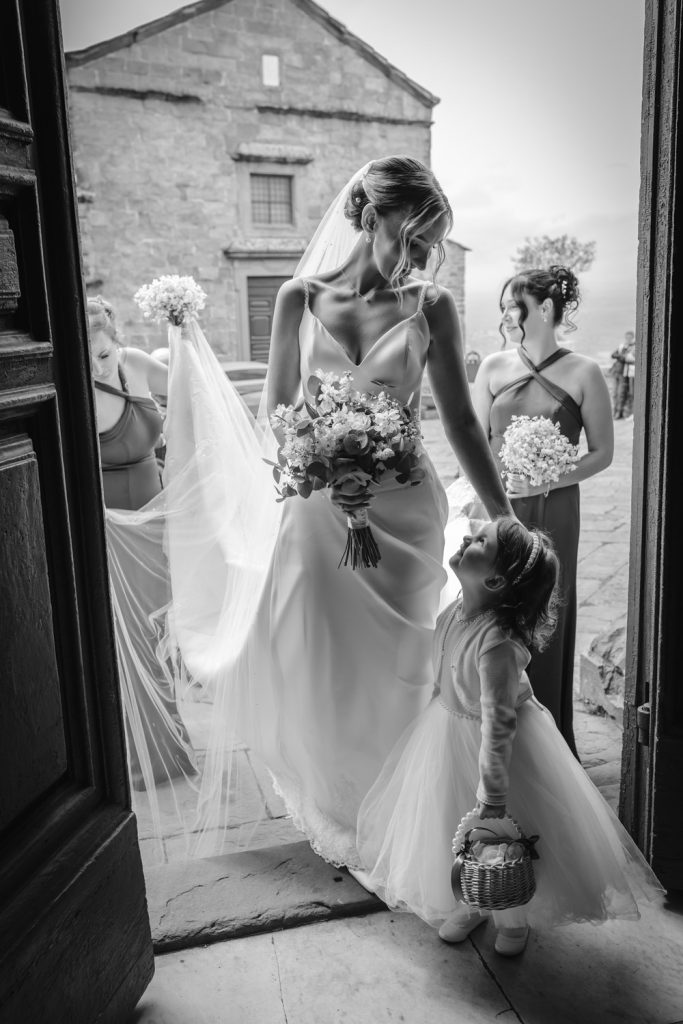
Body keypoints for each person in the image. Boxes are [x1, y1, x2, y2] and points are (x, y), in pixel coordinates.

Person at [206, 156, 514, 868]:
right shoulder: (296, 297)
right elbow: (276, 410)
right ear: (369, 215)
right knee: (325, 657)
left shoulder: (428, 305)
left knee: (403, 665)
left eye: (429, 244)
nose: (418, 256)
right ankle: (345, 809)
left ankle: (406, 811)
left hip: (403, 511)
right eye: (411, 237)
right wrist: (316, 460)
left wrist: (503, 513)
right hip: (317, 512)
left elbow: (461, 422)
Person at [356, 519, 663, 956]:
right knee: (451, 825)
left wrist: (494, 792)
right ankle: (473, 901)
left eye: (482, 541)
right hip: (447, 730)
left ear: (497, 579)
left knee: (499, 837)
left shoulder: (498, 643)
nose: (468, 537)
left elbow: (499, 722)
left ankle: (512, 917)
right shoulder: (456, 609)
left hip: (497, 751)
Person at [470, 266, 613, 756]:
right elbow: (475, 443)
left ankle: (548, 748)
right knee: (491, 617)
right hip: (497, 505)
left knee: (546, 616)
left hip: (556, 511)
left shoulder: (584, 372)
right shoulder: (491, 368)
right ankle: (490, 741)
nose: (506, 316)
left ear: (545, 308)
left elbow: (602, 453)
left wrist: (548, 477)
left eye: (515, 305)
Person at [88, 297, 197, 797]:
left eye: (104, 354)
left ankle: (170, 744)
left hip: (157, 517)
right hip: (109, 524)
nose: (97, 365)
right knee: (125, 635)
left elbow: (194, 391)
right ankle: (141, 755)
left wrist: (183, 333)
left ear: (117, 340)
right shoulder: (74, 381)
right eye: (87, 356)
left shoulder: (136, 364)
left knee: (161, 627)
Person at [611, 330, 636, 419]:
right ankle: (615, 412)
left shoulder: (633, 347)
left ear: (633, 338)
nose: (628, 339)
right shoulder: (623, 346)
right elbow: (613, 355)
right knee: (614, 394)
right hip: (616, 372)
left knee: (621, 394)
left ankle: (619, 413)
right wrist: (621, 356)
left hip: (624, 374)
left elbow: (627, 358)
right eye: (627, 338)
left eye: (629, 338)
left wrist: (620, 356)